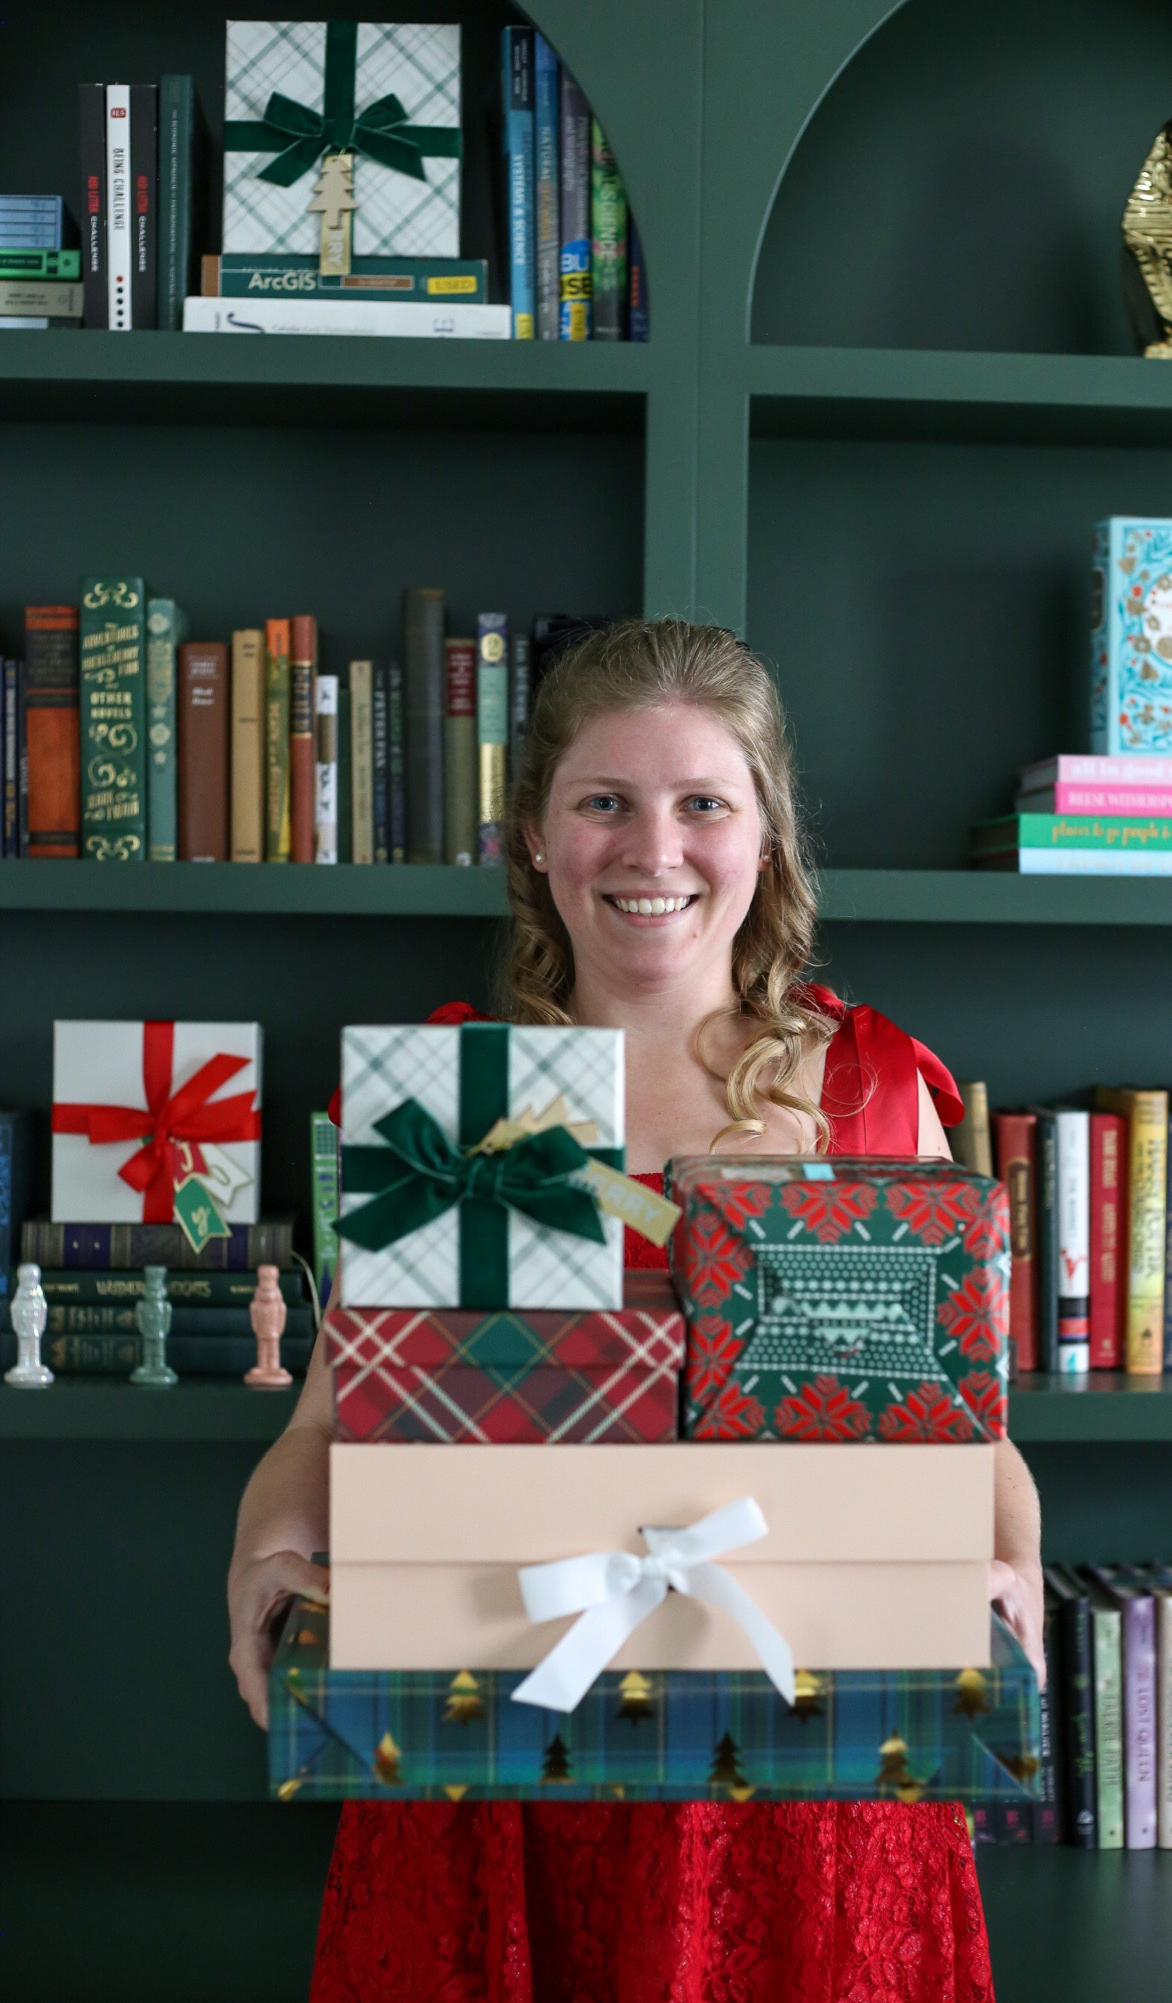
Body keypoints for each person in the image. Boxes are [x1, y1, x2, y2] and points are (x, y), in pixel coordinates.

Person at [228, 619, 1045, 2003]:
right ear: (535, 839)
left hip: (802, 1762)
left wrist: (1011, 1567)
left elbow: (964, 1436)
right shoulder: (452, 1103)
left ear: (766, 837)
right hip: (493, 1740)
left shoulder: (869, 1088)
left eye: (700, 805)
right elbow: (327, 1422)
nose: (650, 851)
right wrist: (270, 1546)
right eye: (602, 801)